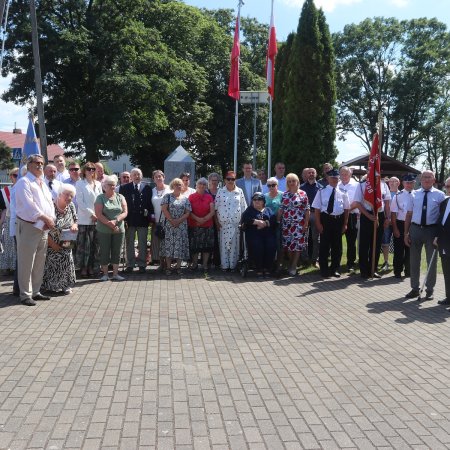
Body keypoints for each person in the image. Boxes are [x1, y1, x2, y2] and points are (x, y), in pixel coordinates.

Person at [15, 154, 56, 306]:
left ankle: (36, 291)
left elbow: (49, 204)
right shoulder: (24, 182)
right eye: (36, 163)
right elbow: (28, 205)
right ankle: (25, 295)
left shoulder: (42, 183)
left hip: (43, 228)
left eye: (42, 163)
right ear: (29, 164)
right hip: (29, 227)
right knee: (26, 262)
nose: (39, 166)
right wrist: (46, 219)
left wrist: (50, 219)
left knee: (39, 261)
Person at [404, 170, 445, 300]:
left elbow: (442, 217)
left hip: (431, 231)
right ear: (420, 179)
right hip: (415, 229)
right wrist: (406, 233)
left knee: (431, 262)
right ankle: (415, 288)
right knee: (414, 261)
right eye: (424, 177)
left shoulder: (440, 195)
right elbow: (409, 214)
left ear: (434, 180)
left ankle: (430, 290)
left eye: (429, 177)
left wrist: (440, 235)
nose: (427, 179)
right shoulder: (413, 194)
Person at [312, 169, 349, 278]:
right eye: (332, 178)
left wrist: (345, 224)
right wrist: (318, 224)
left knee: (337, 246)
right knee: (324, 245)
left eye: (336, 178)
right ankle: (324, 269)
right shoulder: (321, 191)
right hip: (326, 220)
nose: (334, 180)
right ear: (328, 178)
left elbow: (346, 209)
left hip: (338, 220)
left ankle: (335, 269)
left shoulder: (343, 192)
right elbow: (317, 209)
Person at [42, 184, 78, 294]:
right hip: (51, 241)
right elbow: (42, 227)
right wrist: (51, 243)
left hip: (67, 240)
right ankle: (50, 286)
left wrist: (75, 225)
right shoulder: (51, 206)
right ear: (60, 194)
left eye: (71, 196)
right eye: (66, 194)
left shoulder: (71, 206)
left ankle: (66, 285)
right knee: (52, 263)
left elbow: (76, 219)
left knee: (67, 261)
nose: (69, 198)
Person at [353, 175, 391, 279]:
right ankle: (364, 270)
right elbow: (357, 203)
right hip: (366, 215)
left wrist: (388, 218)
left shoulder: (384, 185)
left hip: (380, 214)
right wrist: (368, 215)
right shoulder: (361, 186)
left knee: (377, 244)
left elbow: (387, 203)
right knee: (364, 244)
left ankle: (373, 269)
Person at [120, 168, 153, 273]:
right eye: (134, 174)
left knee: (142, 243)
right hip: (129, 220)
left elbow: (149, 204)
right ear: (131, 176)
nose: (136, 176)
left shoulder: (147, 188)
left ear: (141, 176)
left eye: (138, 174)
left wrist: (150, 217)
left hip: (143, 220)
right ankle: (130, 264)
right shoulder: (124, 188)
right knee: (129, 243)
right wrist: (123, 219)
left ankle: (142, 264)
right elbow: (122, 205)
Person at [95, 175, 128, 281]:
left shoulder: (120, 197)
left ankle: (115, 274)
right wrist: (110, 224)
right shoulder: (100, 197)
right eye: (110, 185)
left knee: (117, 251)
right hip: (104, 229)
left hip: (119, 229)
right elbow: (99, 214)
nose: (112, 187)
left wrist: (116, 221)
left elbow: (125, 212)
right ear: (104, 186)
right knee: (104, 251)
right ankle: (105, 274)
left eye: (114, 185)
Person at [278, 173, 310, 276]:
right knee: (288, 246)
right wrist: (278, 220)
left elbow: (307, 210)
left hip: (299, 224)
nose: (291, 183)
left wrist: (306, 223)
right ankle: (292, 263)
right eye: (289, 181)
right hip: (287, 224)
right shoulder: (284, 194)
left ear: (297, 182)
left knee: (297, 246)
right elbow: (281, 209)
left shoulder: (303, 194)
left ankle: (293, 266)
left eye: (293, 181)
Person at [215, 171, 247, 271]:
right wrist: (217, 222)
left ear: (235, 180)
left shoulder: (239, 191)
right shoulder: (220, 191)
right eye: (228, 179)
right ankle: (225, 266)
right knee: (224, 246)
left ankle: (233, 266)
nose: (230, 181)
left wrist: (242, 222)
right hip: (223, 224)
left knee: (234, 246)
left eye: (232, 179)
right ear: (225, 180)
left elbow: (243, 207)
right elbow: (215, 208)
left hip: (235, 223)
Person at [76, 162, 102, 277]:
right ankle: (83, 268)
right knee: (84, 245)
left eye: (93, 169)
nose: (91, 171)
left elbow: (101, 200)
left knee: (94, 246)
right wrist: (92, 214)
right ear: (84, 171)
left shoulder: (98, 184)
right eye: (89, 169)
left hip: (97, 219)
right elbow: (80, 202)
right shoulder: (80, 183)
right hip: (84, 220)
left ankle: (92, 267)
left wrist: (99, 214)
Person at [160, 178, 191, 275]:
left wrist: (178, 221)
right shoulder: (167, 197)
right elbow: (164, 210)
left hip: (181, 226)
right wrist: (172, 221)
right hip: (169, 226)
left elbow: (188, 212)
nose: (178, 186)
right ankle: (168, 267)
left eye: (180, 185)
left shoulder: (185, 199)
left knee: (180, 246)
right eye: (176, 184)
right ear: (172, 186)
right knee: (169, 246)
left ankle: (178, 267)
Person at [241, 192, 277, 277]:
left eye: (259, 199)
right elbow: (244, 219)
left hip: (268, 234)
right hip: (254, 235)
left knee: (271, 245)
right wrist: (256, 222)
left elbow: (274, 220)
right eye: (255, 199)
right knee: (257, 245)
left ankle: (267, 268)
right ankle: (259, 268)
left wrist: (264, 223)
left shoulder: (268, 210)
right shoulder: (249, 210)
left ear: (263, 201)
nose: (257, 201)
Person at [188, 178, 215, 272]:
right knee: (195, 246)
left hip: (207, 225)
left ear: (206, 186)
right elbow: (189, 211)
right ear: (196, 185)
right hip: (194, 224)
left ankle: (204, 265)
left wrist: (203, 220)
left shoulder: (209, 197)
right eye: (200, 184)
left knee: (206, 247)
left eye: (204, 184)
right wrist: (198, 219)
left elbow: (212, 211)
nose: (202, 186)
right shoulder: (191, 197)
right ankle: (195, 264)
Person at [390, 174, 415, 278]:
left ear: (414, 183)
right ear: (403, 183)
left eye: (411, 182)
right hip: (400, 224)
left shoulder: (418, 195)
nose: (409, 185)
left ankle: (409, 271)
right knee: (399, 249)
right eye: (407, 182)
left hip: (413, 225)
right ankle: (397, 271)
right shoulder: (397, 196)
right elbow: (393, 213)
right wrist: (395, 228)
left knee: (411, 249)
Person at [338, 166, 359, 272]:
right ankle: (336, 262)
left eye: (346, 174)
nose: (344, 176)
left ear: (350, 174)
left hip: (352, 215)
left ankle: (350, 263)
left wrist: (347, 209)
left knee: (351, 241)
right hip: (339, 216)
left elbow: (358, 201)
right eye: (342, 174)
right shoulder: (337, 185)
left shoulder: (356, 185)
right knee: (337, 240)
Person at [300, 168, 321, 268]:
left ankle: (315, 259)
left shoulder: (321, 187)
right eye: (309, 173)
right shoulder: (301, 187)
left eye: (313, 172)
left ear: (316, 174)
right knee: (303, 237)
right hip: (304, 215)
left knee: (316, 238)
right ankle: (304, 258)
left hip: (316, 214)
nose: (311, 174)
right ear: (306, 175)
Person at [150, 170, 171, 269]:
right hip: (156, 221)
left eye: (160, 176)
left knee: (167, 242)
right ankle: (160, 262)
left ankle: (168, 263)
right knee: (157, 242)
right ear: (153, 179)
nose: (158, 178)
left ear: (164, 177)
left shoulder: (169, 189)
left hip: (167, 220)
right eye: (156, 177)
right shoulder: (152, 190)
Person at [0, 168, 19, 273]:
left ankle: (16, 267)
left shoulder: (25, 189)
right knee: (8, 244)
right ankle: (6, 266)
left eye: (19, 176)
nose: (17, 178)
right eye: (15, 176)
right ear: (11, 177)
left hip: (23, 220)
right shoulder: (4, 192)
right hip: (8, 219)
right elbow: (3, 209)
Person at [436, 177, 450, 306]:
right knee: (447, 271)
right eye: (447, 186)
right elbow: (441, 222)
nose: (448, 188)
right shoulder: (445, 202)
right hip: (444, 243)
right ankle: (448, 297)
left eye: (449, 186)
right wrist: (437, 236)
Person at [381, 176, 400, 271]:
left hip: (398, 222)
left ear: (398, 183)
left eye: (394, 181)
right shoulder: (384, 194)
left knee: (398, 243)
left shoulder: (402, 194)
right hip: (387, 221)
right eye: (390, 181)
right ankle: (386, 261)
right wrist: (387, 219)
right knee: (385, 242)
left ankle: (397, 262)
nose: (392, 183)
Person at [206, 172, 221, 268]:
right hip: (208, 219)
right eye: (213, 180)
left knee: (217, 241)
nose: (214, 182)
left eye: (216, 180)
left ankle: (217, 261)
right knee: (208, 240)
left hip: (219, 219)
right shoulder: (206, 191)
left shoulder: (221, 191)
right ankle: (207, 261)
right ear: (209, 181)